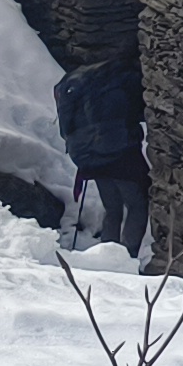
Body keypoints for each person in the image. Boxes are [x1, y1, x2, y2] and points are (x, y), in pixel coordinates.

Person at [56, 51, 149, 254]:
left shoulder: (78, 80)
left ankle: (108, 254)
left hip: (86, 154)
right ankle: (128, 256)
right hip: (119, 153)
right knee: (137, 205)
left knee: (112, 208)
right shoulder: (123, 78)